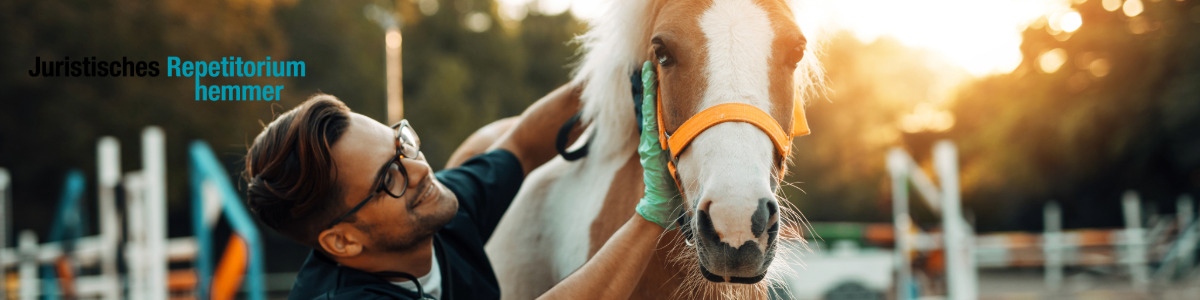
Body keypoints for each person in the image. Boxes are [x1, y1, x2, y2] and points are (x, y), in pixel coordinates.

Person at [243, 63, 683, 300]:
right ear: (343, 242)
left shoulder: (434, 211)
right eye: (388, 177)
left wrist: (614, 72)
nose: (418, 170)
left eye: (401, 143)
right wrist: (651, 215)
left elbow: (522, 147)